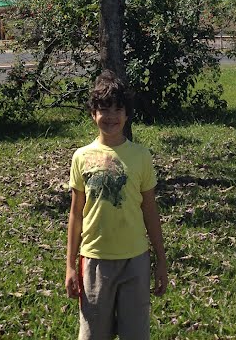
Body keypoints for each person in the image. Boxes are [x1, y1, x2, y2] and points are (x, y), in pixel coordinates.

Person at [66, 71, 168, 340]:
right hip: (95, 260)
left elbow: (150, 211)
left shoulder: (141, 156)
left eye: (118, 109)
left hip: (135, 260)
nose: (110, 116)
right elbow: (76, 214)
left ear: (127, 115)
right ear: (93, 114)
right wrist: (69, 265)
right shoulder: (81, 157)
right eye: (104, 109)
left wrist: (161, 260)